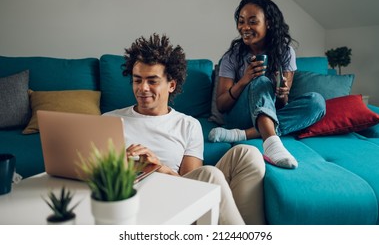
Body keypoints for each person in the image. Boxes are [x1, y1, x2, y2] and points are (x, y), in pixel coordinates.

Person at [104, 33, 266, 225]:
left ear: (171, 85)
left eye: (152, 81)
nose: (143, 88)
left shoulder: (188, 125)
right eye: (137, 80)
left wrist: (157, 167)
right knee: (210, 175)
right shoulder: (109, 121)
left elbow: (190, 185)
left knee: (247, 153)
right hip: (140, 203)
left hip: (180, 199)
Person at [208, 0, 326, 169]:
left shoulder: (285, 52)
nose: (245, 27)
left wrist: (282, 94)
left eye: (252, 21)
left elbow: (282, 104)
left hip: (270, 115)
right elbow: (221, 105)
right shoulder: (231, 57)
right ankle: (271, 144)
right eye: (241, 21)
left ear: (268, 23)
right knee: (261, 81)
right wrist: (245, 80)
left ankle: (242, 135)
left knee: (317, 102)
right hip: (239, 116)